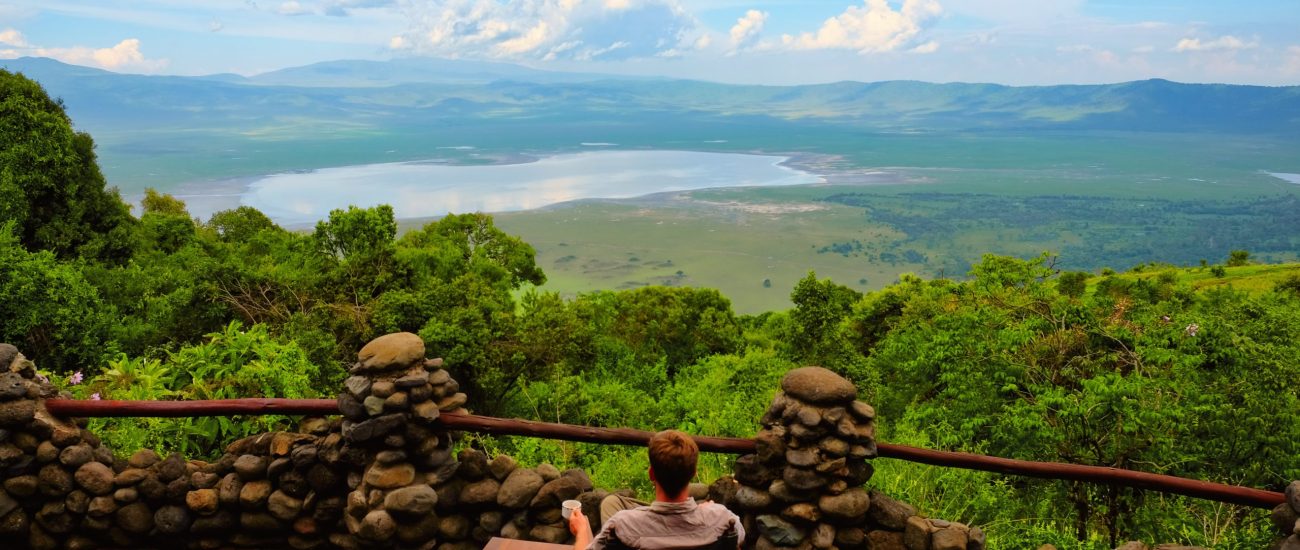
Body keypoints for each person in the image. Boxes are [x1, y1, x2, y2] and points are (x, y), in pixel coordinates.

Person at [569, 430, 744, 550]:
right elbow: (740, 538)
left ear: (651, 474)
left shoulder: (621, 525)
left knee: (611, 504)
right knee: (611, 502)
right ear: (693, 474)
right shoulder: (723, 520)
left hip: (643, 524)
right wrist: (708, 511)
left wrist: (582, 531)